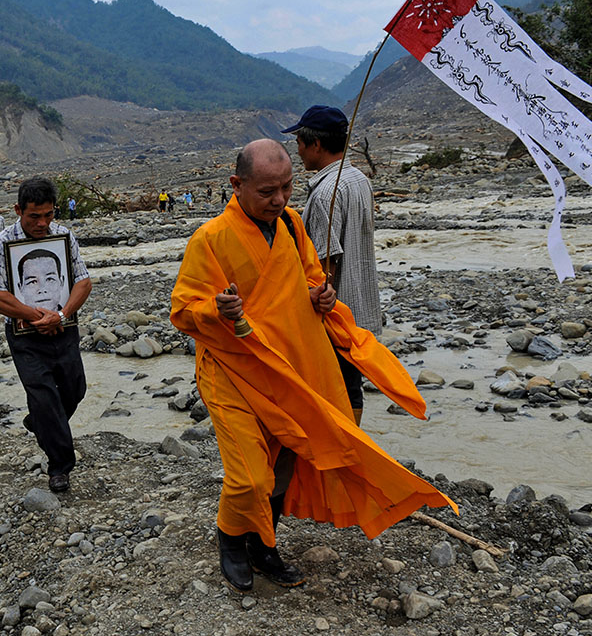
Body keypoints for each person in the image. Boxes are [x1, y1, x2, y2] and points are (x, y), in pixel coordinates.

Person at [170, 139, 455, 593]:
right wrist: (216, 310)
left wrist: (322, 294)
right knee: (249, 474)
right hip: (231, 370)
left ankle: (264, 546)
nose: (279, 199)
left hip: (287, 366)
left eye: (286, 187)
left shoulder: (291, 223)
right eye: (267, 192)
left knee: (286, 458)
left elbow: (307, 277)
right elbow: (183, 310)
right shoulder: (211, 239)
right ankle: (229, 539)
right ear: (236, 185)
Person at [0, 178, 92, 494]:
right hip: (25, 336)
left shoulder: (63, 236)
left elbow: (82, 283)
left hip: (63, 328)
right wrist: (35, 317)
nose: (42, 223)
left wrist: (58, 314)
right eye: (34, 216)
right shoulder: (0, 244)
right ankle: (59, 466)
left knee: (75, 389)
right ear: (18, 210)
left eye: (48, 214)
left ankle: (39, 422)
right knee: (43, 393)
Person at [284, 105, 383, 426]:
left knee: (333, 390)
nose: (296, 149)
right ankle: (353, 450)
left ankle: (343, 455)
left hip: (336, 314)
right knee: (352, 388)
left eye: (299, 141)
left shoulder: (326, 191)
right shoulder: (359, 180)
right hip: (362, 308)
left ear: (316, 145)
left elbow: (322, 267)